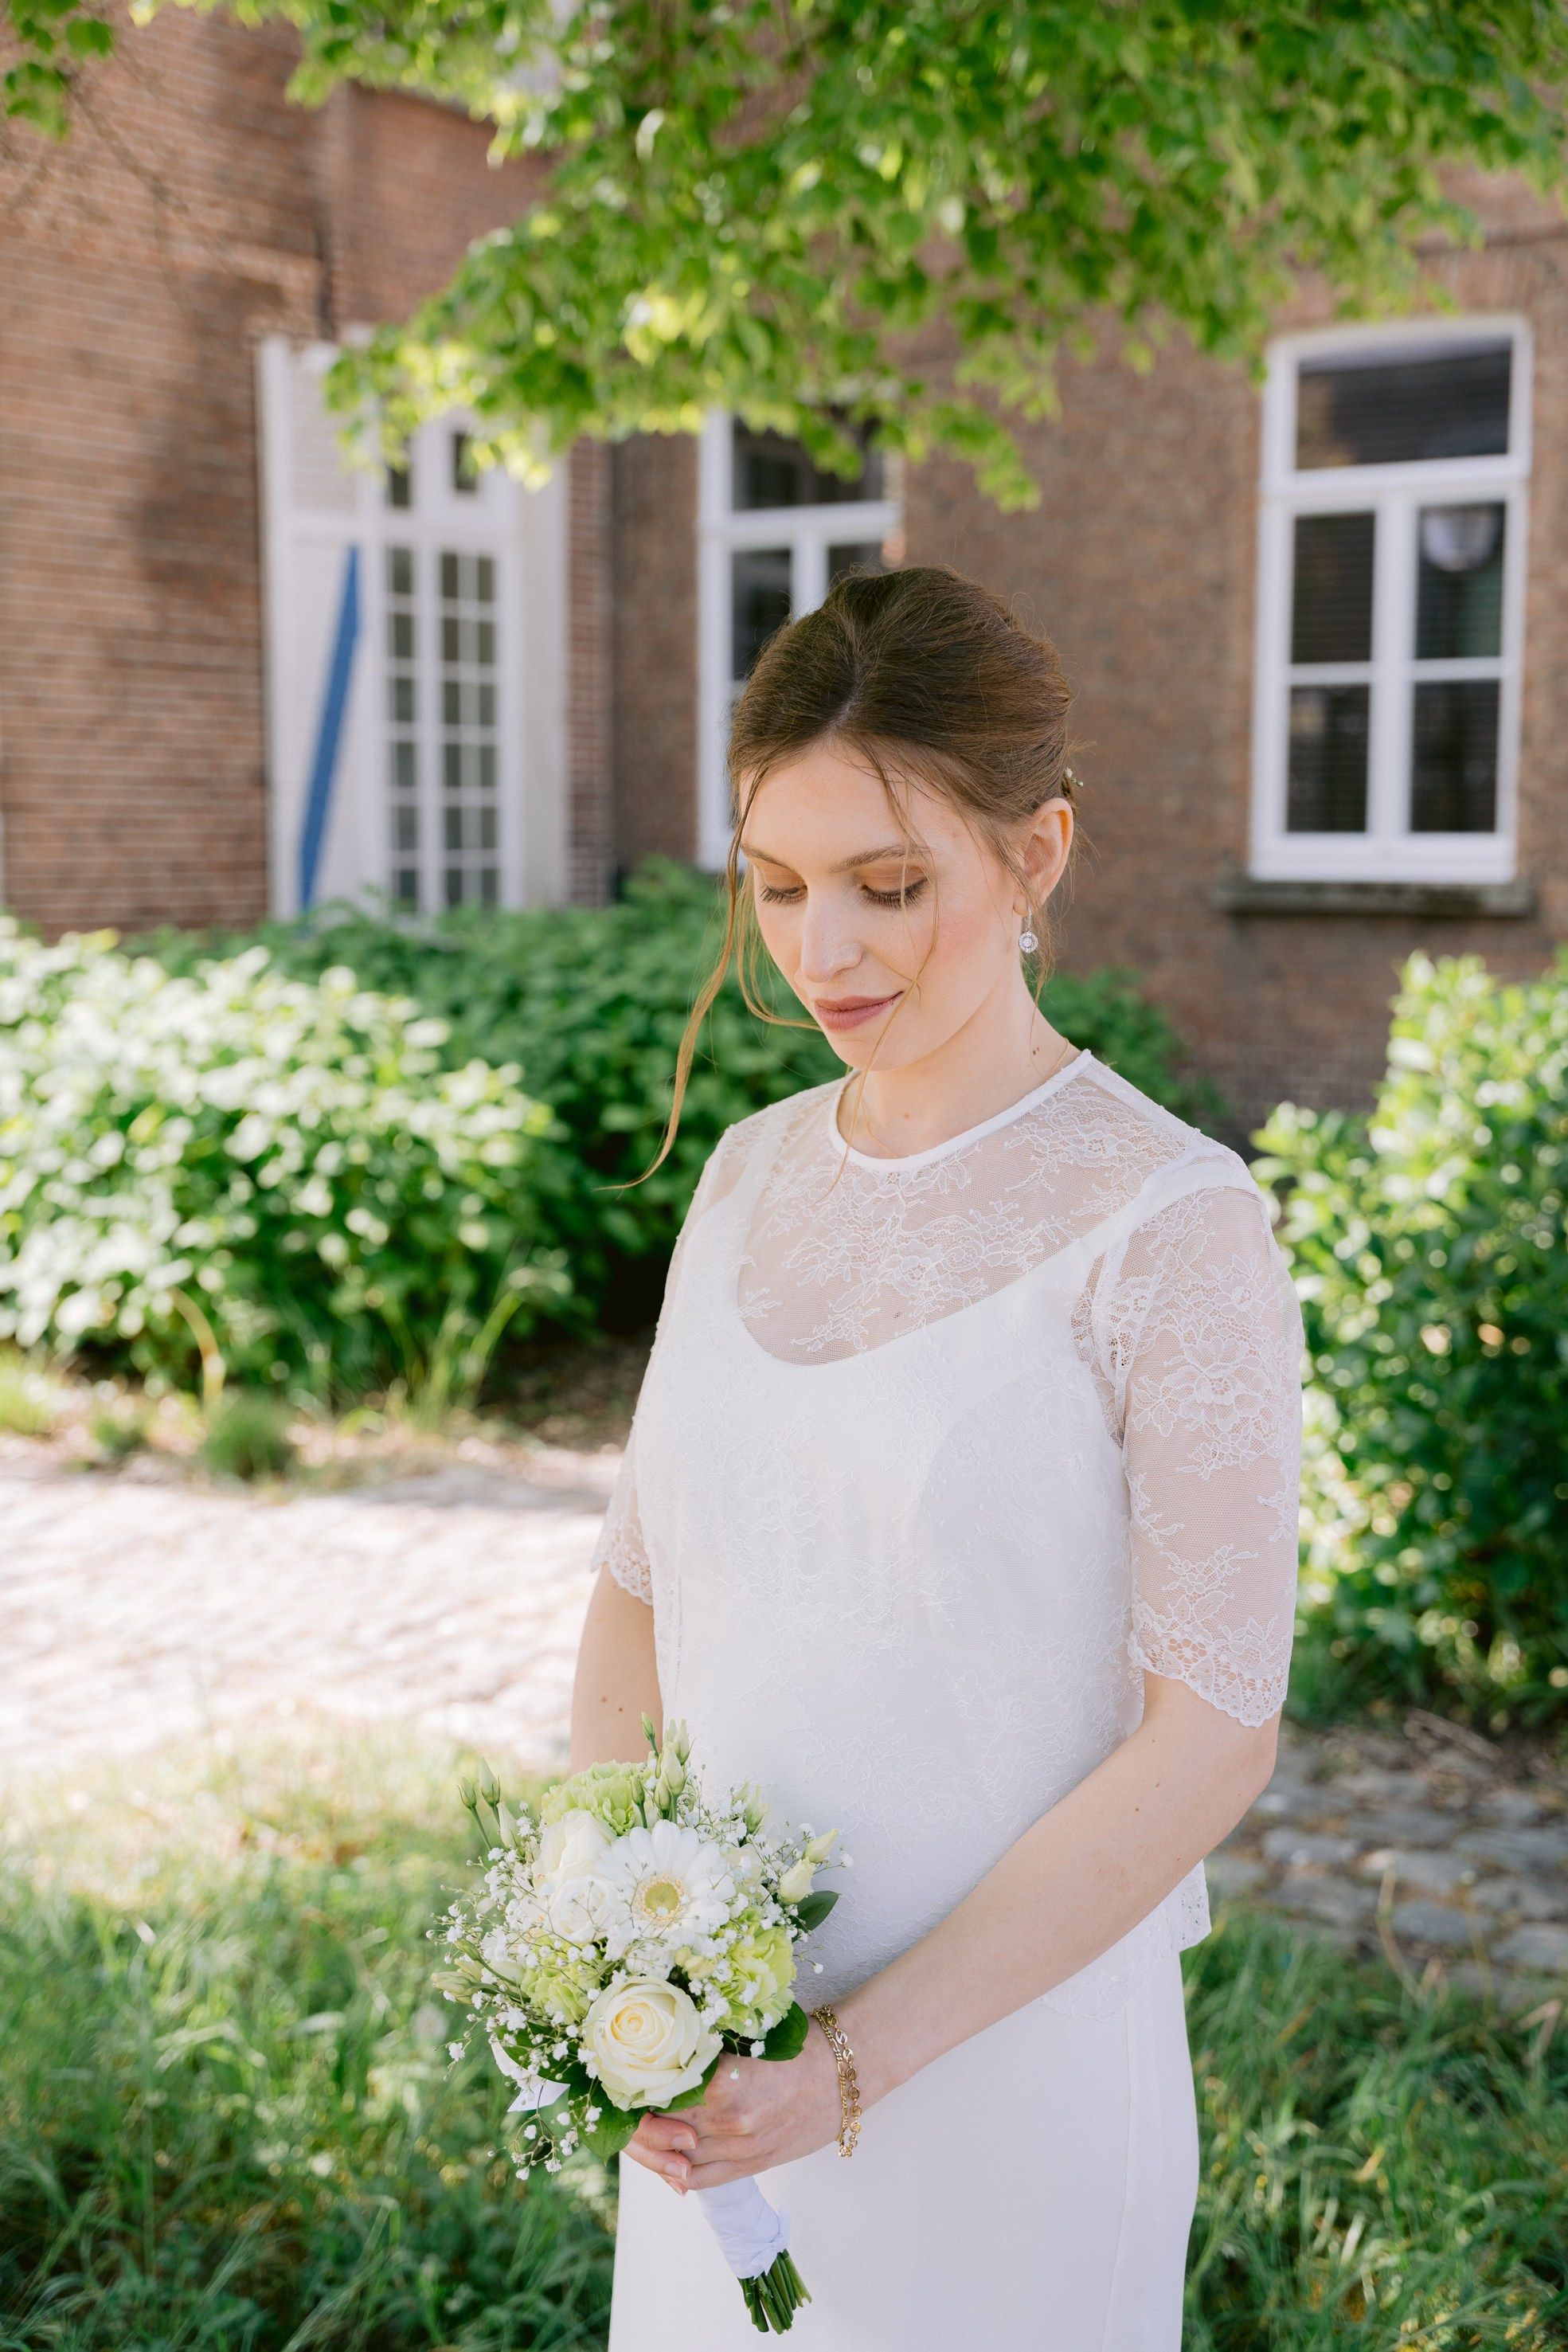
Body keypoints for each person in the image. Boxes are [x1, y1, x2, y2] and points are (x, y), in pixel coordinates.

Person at [570, 566, 1302, 2349]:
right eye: (780, 887)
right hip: (714, 2100)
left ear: (1036, 853)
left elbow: (1208, 1732)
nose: (823, 954)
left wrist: (845, 2064)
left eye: (890, 888)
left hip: (1007, 2087)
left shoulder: (1171, 1226)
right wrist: (633, 1964)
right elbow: (629, 1603)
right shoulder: (744, 1175)